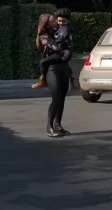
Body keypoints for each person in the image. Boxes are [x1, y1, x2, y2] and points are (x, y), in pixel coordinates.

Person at [41, 8, 74, 137]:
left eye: (64, 22)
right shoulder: (45, 35)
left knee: (62, 98)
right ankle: (49, 126)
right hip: (52, 69)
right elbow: (56, 47)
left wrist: (68, 52)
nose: (60, 23)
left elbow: (70, 48)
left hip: (64, 68)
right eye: (58, 21)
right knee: (56, 98)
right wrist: (64, 51)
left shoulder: (68, 33)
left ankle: (58, 125)